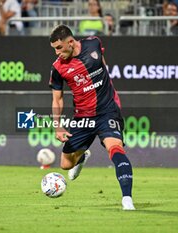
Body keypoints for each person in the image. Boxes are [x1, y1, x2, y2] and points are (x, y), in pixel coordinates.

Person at [49, 25, 135, 210]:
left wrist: (110, 93)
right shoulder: (58, 67)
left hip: (107, 111)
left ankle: (127, 199)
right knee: (65, 164)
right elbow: (57, 99)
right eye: (54, 49)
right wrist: (57, 126)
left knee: (116, 149)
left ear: (70, 42)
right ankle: (80, 157)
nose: (57, 53)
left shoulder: (94, 43)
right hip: (83, 118)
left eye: (59, 47)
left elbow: (103, 66)